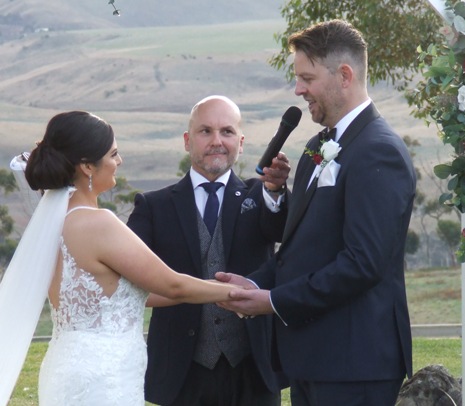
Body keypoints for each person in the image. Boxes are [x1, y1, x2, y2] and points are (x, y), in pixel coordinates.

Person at [216, 20, 416, 406]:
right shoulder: (316, 147)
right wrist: (256, 286)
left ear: (344, 75)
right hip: (313, 361)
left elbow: (363, 263)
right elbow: (304, 247)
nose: (298, 89)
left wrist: (274, 301)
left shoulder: (379, 150)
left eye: (307, 77)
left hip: (356, 365)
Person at [0, 111, 241, 406]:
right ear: (88, 165)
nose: (120, 161)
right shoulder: (98, 223)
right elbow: (172, 284)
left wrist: (208, 291)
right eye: (113, 154)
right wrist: (238, 292)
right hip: (104, 375)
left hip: (65, 367)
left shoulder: (54, 222)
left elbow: (134, 292)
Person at [127, 95, 290, 406]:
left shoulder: (261, 194)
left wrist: (276, 190)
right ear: (188, 141)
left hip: (253, 369)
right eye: (206, 131)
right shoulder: (153, 206)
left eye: (227, 132)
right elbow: (130, 281)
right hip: (181, 373)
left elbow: (280, 230)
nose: (217, 141)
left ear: (241, 143)